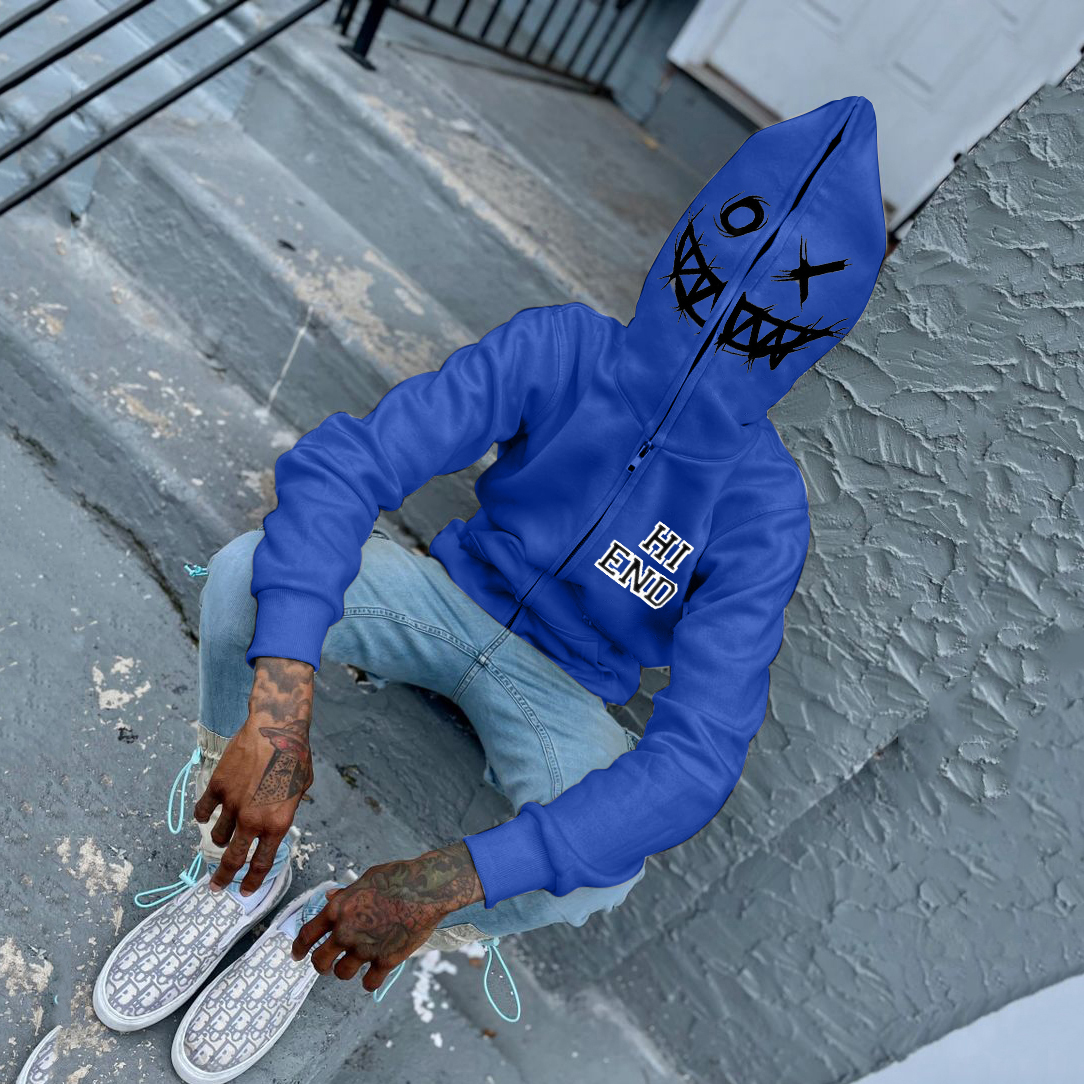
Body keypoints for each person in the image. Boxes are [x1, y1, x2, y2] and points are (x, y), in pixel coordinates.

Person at [89, 94, 887, 1083]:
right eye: (716, 276)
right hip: (443, 599)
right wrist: (278, 714)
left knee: (599, 878)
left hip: (565, 690)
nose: (723, 315)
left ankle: (363, 924)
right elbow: (350, 465)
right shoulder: (563, 349)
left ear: (808, 339)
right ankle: (237, 853)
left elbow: (697, 759)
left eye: (764, 318)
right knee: (246, 578)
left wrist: (446, 878)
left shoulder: (763, 507)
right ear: (690, 241)